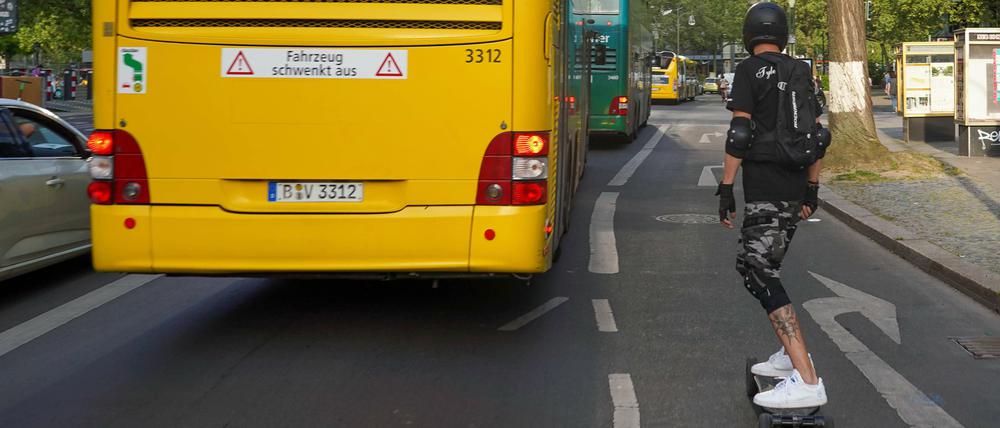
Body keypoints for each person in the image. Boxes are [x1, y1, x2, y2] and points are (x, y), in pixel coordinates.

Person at [716, 2, 829, 409]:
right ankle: (788, 359)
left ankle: (807, 378)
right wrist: (812, 189)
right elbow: (818, 135)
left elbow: (740, 132)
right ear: (782, 34)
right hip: (794, 185)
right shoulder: (800, 71)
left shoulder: (748, 70)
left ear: (749, 35)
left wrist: (726, 187)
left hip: (765, 187)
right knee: (753, 265)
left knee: (759, 273)